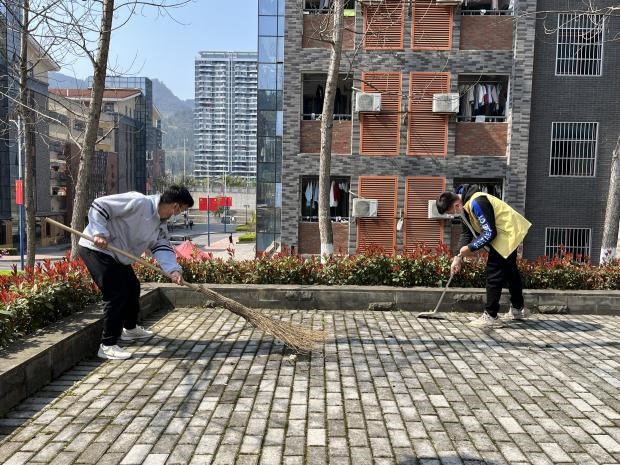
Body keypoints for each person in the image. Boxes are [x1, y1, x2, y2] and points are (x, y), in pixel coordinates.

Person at [78, 185, 194, 359]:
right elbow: (100, 205)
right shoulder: (139, 202)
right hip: (96, 249)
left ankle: (130, 329)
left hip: (118, 256)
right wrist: (99, 233)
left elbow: (161, 248)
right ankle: (107, 345)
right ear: (176, 206)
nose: (181, 213)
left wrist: (173, 270)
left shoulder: (160, 226)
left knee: (133, 287)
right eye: (183, 209)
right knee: (117, 294)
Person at [436, 184, 532, 328]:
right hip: (505, 233)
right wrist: (457, 257)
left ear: (456, 205)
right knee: (510, 272)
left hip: (507, 233)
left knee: (493, 272)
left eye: (451, 212)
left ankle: (491, 316)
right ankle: (518, 309)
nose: (453, 215)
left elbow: (490, 233)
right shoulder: (465, 207)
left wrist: (471, 248)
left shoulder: (477, 202)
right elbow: (466, 234)